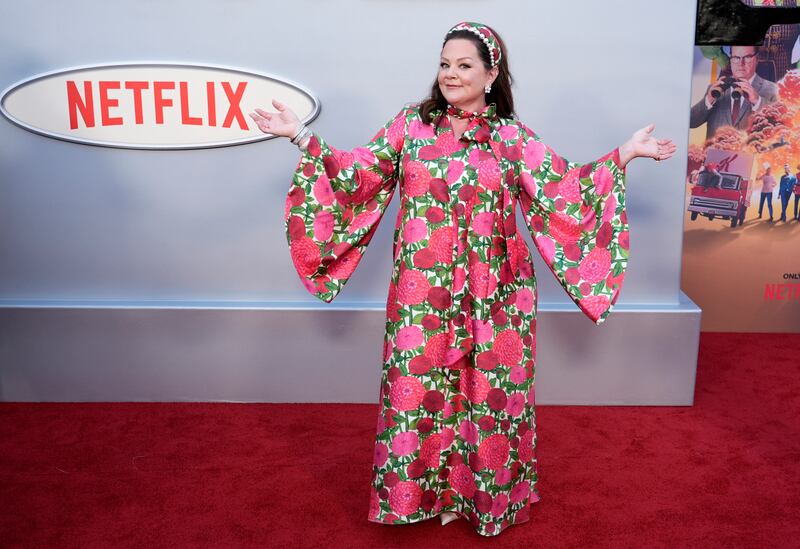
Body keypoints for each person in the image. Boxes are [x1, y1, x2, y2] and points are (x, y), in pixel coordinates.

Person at [250, 21, 675, 537]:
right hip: (421, 295)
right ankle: (420, 498)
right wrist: (300, 135)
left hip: (497, 292)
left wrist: (625, 153)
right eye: (445, 64)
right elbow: (356, 172)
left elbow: (564, 189)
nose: (451, 74)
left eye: (464, 65)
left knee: (492, 401)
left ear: (492, 73)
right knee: (415, 393)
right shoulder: (410, 126)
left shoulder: (510, 137)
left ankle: (482, 499)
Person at [689, 45, 778, 140]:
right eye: (736, 57)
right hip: (715, 153)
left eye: (747, 57)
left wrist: (758, 101)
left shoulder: (773, 89)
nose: (741, 63)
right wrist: (708, 100)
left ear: (757, 59)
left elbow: (781, 128)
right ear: (730, 59)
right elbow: (691, 122)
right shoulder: (715, 90)